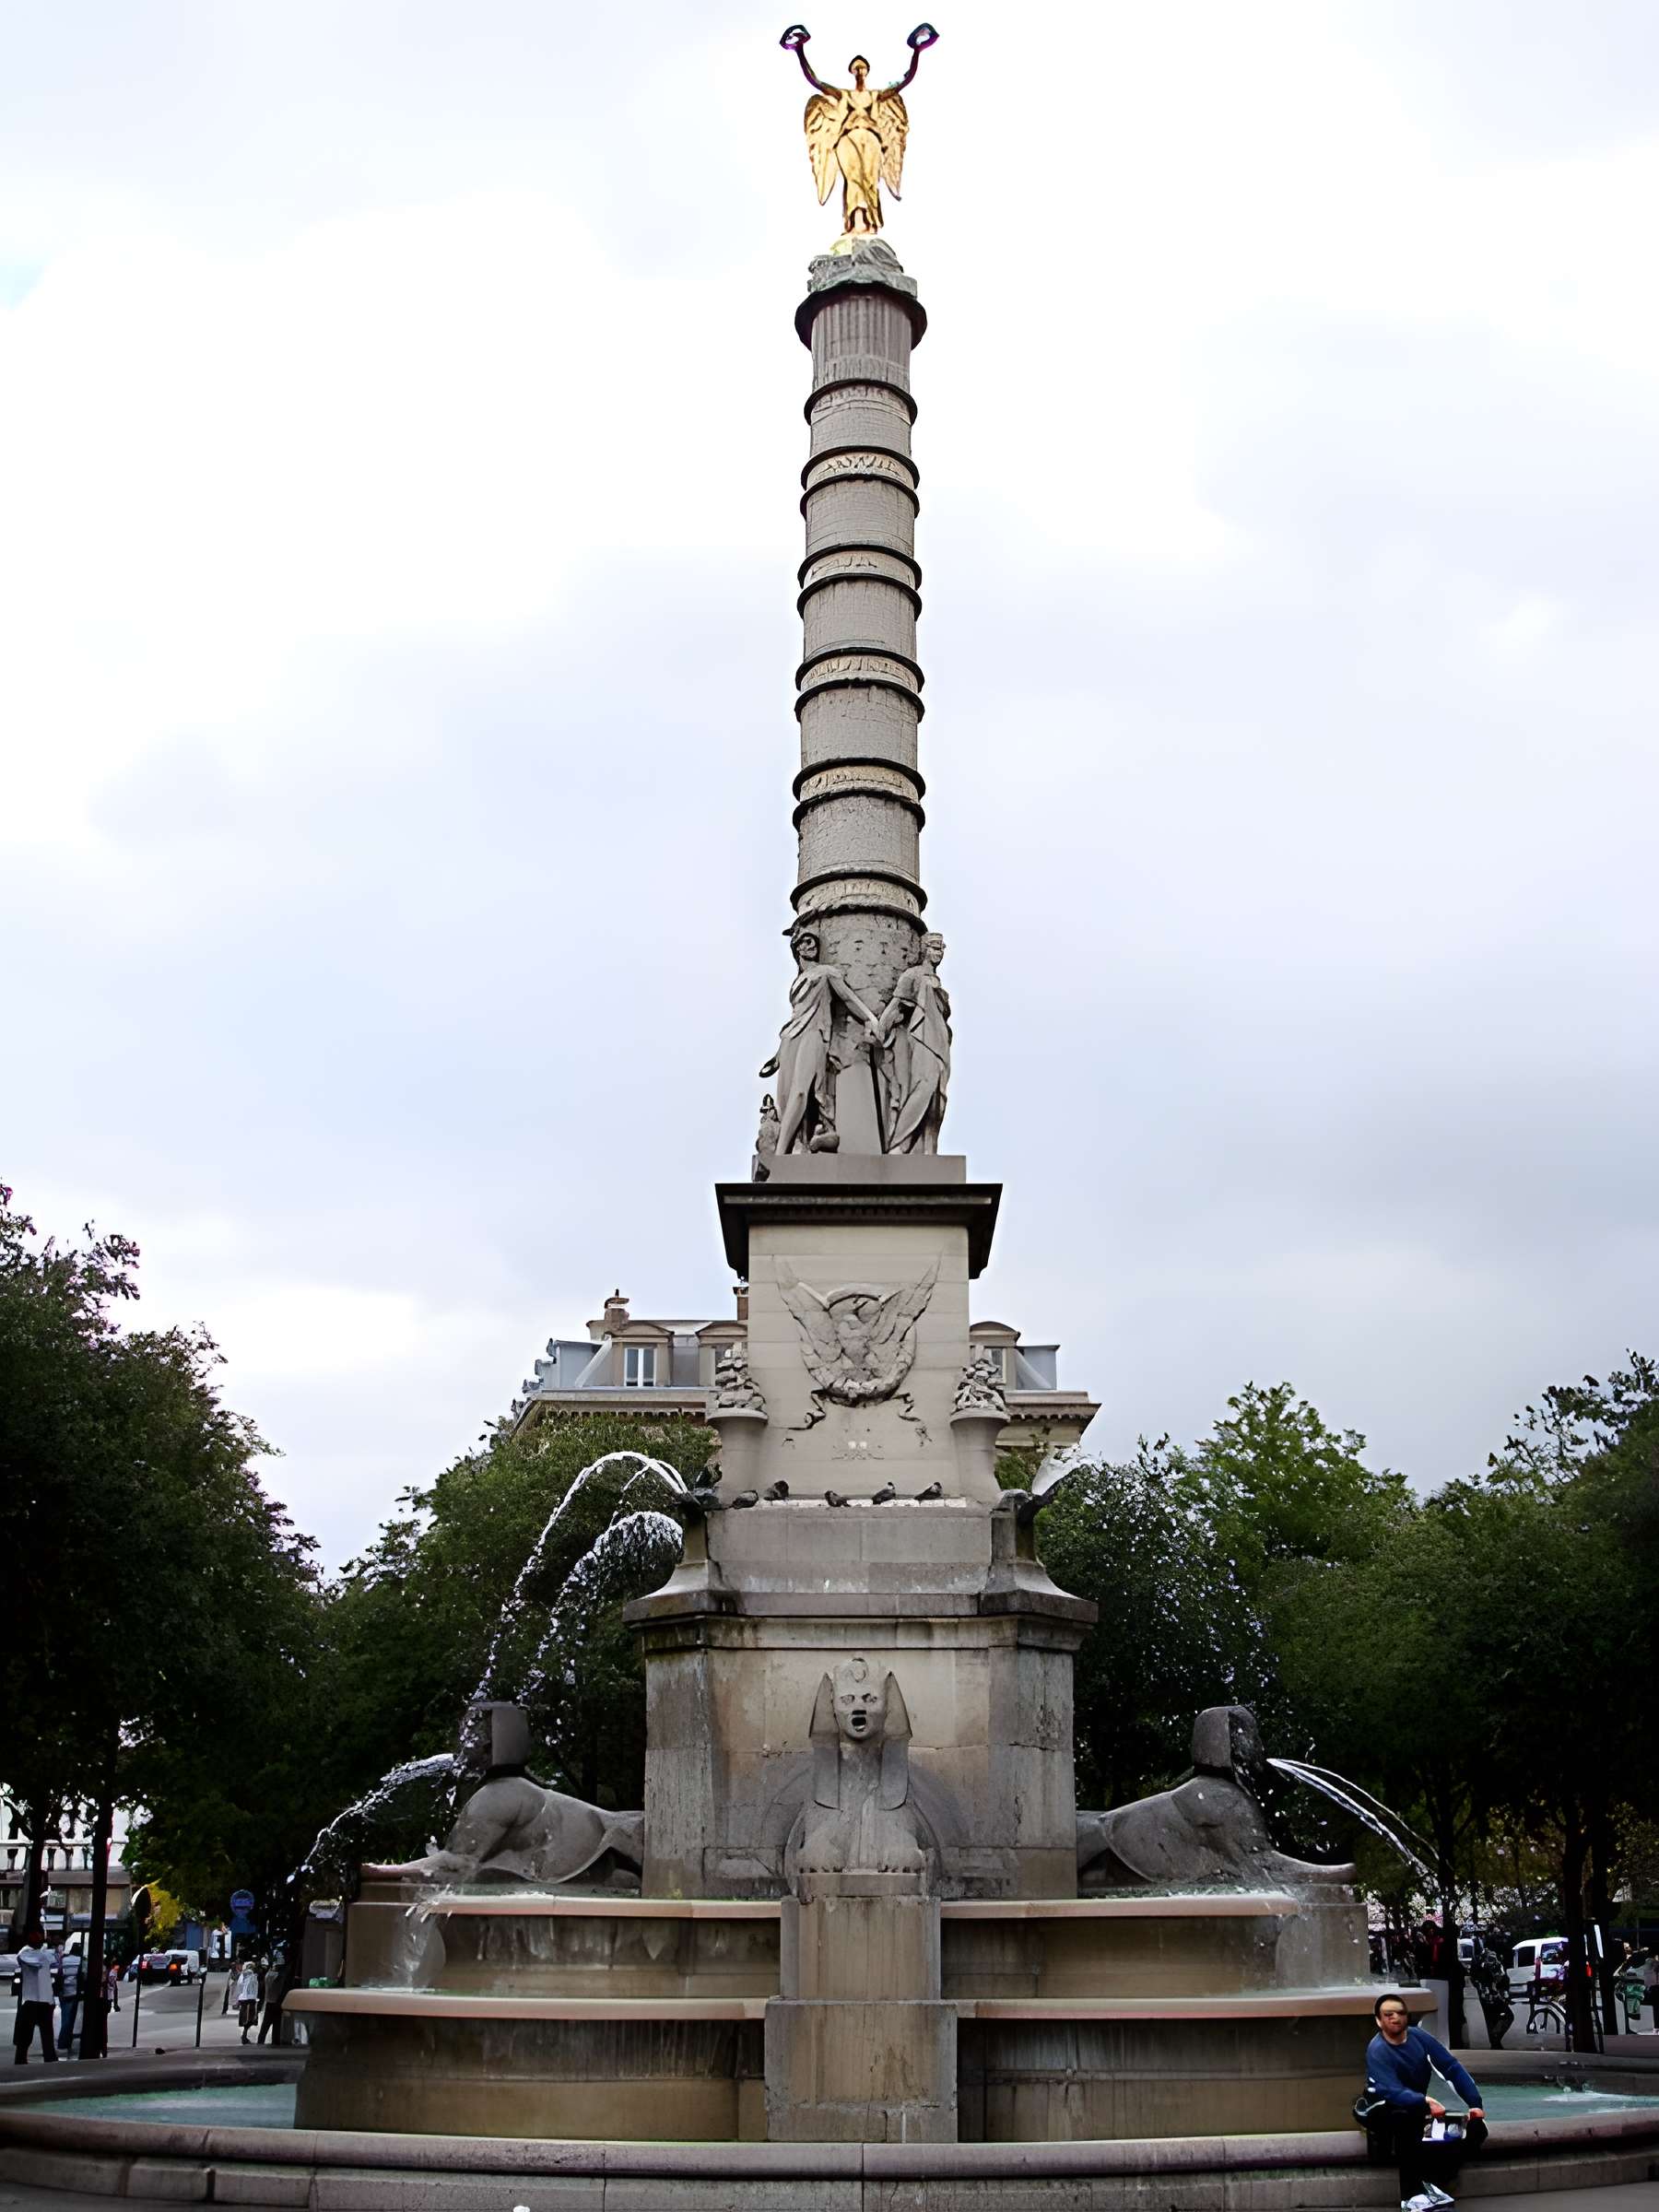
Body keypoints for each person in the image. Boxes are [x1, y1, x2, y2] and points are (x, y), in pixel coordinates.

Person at [1365, 1992, 1487, 2211]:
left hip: (1419, 2106)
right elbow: (1391, 2091)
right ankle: (1410, 2195)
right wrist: (1425, 2100)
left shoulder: (1418, 2037)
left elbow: (1451, 2067)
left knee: (1475, 2130)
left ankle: (1433, 2183)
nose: (1395, 2018)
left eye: (1400, 2013)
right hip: (1381, 2108)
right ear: (1378, 2020)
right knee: (1407, 2119)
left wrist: (1474, 2104)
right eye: (1388, 2014)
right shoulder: (1377, 2049)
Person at [13, 1924, 58, 2065]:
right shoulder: (25, 1952)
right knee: (25, 2035)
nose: (39, 1937)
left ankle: (50, 2058)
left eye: (40, 1934)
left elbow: (52, 1962)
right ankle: (21, 2059)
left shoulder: (43, 1953)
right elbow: (40, 1961)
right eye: (36, 1934)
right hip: (30, 2000)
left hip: (45, 2000)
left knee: (47, 2035)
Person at [256, 1951, 290, 2046]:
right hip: (277, 2003)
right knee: (276, 2025)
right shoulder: (279, 1976)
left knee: (265, 2026)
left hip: (269, 2002)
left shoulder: (268, 1975)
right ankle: (275, 2042)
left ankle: (260, 2042)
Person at [55, 1941, 84, 2055]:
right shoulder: (80, 1961)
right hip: (75, 1993)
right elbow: (82, 1977)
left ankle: (64, 2042)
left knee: (65, 2018)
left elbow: (59, 1975)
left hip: (65, 1993)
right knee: (70, 2019)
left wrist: (59, 1991)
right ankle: (64, 2042)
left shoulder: (64, 1960)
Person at [231, 1955, 262, 2043]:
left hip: (244, 1998)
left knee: (245, 2016)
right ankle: (244, 2034)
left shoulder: (243, 1975)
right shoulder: (254, 1975)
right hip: (252, 1999)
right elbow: (257, 1987)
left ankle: (244, 2034)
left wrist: (240, 1995)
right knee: (251, 2017)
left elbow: (240, 1985)